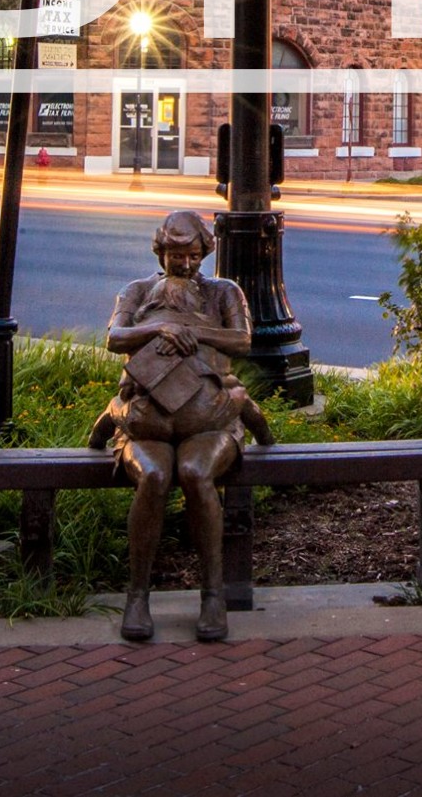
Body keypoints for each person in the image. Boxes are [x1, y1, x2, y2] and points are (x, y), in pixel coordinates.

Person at [93, 209, 272, 642]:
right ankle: (138, 596)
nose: (186, 264)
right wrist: (162, 328)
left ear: (204, 253)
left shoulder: (224, 292)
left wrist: (193, 330)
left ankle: (212, 595)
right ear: (161, 252)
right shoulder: (137, 291)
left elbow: (243, 340)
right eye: (176, 256)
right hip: (151, 419)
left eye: (193, 256)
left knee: (194, 472)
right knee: (154, 475)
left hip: (207, 419)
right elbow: (114, 337)